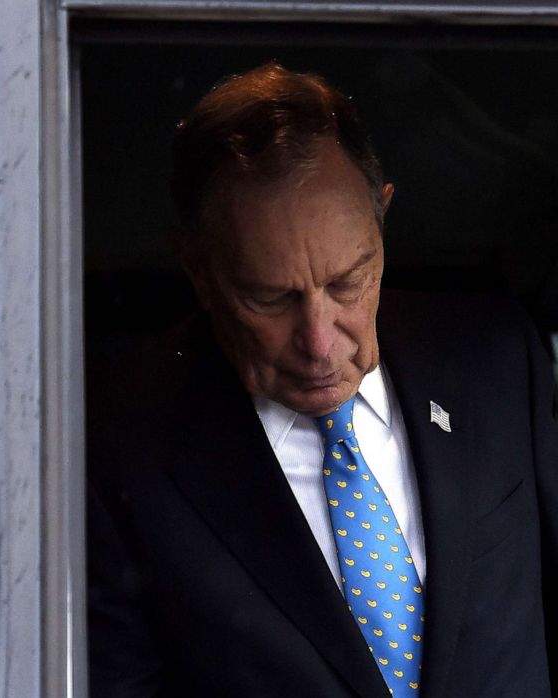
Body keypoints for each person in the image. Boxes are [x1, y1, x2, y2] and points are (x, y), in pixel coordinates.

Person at [86, 63, 558, 697]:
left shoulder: (495, 357)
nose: (319, 342)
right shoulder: (119, 445)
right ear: (198, 270)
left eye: (347, 283)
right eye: (269, 299)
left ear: (382, 224)